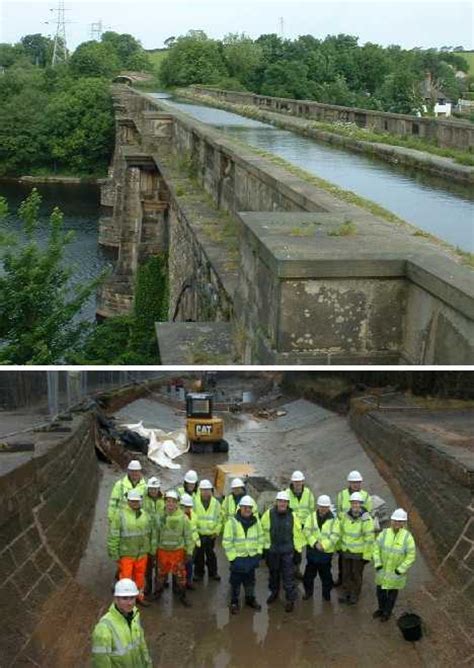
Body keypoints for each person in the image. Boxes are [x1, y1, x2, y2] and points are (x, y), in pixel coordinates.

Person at [91, 578, 152, 667]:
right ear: (116, 599)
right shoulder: (104, 628)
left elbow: (142, 646)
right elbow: (101, 662)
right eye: (125, 598)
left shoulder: (134, 616)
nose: (130, 603)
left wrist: (148, 665)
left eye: (132, 598)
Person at [261, 491, 305, 612]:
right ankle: (274, 593)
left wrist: (298, 551)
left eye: (285, 502)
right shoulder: (268, 514)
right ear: (276, 502)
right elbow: (263, 532)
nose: (282, 504)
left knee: (288, 577)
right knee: (273, 575)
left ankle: (290, 599)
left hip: (288, 552)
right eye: (280, 501)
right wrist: (264, 549)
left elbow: (297, 535)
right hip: (273, 551)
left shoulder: (293, 516)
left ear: (288, 503)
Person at [107, 489, 152, 607]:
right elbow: (114, 534)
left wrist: (150, 548)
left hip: (142, 553)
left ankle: (139, 597)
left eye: (136, 501)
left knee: (140, 577)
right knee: (126, 579)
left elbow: (149, 534)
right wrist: (114, 552)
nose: (134, 503)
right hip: (126, 553)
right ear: (128, 501)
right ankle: (124, 602)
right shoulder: (120, 515)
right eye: (132, 501)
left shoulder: (145, 515)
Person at [373, 508, 416, 621]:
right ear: (391, 521)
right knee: (380, 593)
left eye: (400, 521)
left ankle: (387, 612)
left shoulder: (408, 537)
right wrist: (377, 563)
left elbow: (411, 556)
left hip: (396, 574)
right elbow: (376, 548)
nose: (397, 523)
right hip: (382, 571)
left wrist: (400, 570)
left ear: (403, 523)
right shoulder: (384, 533)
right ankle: (381, 609)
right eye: (395, 520)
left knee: (391, 595)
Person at [222, 495, 264, 614]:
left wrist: (259, 553)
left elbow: (261, 538)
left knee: (250, 581)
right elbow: (227, 541)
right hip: (238, 558)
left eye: (249, 508)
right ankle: (234, 602)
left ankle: (250, 599)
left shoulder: (256, 522)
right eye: (244, 507)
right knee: (235, 582)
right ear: (240, 508)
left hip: (251, 557)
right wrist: (233, 557)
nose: (247, 510)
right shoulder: (232, 522)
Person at [154, 489, 194, 606]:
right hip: (162, 551)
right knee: (161, 575)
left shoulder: (183, 519)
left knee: (180, 576)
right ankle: (158, 593)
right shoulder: (159, 517)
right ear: (165, 502)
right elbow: (155, 534)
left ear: (177, 503)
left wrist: (189, 552)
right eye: (168, 501)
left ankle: (182, 595)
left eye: (173, 501)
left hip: (178, 552)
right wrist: (153, 549)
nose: (170, 504)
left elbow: (188, 537)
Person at [335, 470, 372, 586]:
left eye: (358, 482)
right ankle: (342, 580)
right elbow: (338, 511)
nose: (356, 484)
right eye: (353, 482)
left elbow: (368, 513)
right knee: (343, 562)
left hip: (358, 531)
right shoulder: (342, 495)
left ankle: (352, 585)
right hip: (345, 530)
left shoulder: (365, 496)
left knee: (356, 569)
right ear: (349, 482)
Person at [338, 491, 375, 605]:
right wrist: (339, 547)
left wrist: (367, 556)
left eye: (357, 503)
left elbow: (369, 539)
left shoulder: (366, 520)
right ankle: (346, 593)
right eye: (353, 503)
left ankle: (354, 595)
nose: (355, 506)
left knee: (356, 575)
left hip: (358, 554)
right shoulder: (346, 517)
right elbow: (341, 532)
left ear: (361, 504)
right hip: (346, 551)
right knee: (346, 574)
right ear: (350, 504)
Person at [302, 494, 340, 602]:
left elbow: (335, 535)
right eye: (321, 506)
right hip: (312, 552)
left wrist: (324, 545)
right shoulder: (311, 517)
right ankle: (308, 592)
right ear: (318, 506)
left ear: (328, 507)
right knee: (308, 576)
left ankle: (326, 594)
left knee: (326, 576)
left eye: (325, 507)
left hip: (325, 554)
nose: (323, 509)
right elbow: (306, 531)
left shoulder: (334, 520)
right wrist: (315, 543)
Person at [285, 470, 315, 578]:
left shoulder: (308, 494)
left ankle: (296, 569)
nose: (297, 484)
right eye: (296, 482)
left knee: (299, 549)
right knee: (289, 549)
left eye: (299, 482)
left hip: (303, 526)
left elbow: (312, 511)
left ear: (303, 482)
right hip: (290, 526)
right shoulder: (287, 494)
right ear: (292, 482)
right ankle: (288, 571)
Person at [193, 479, 222, 582]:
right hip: (199, 534)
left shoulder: (216, 504)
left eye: (207, 490)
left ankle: (213, 573)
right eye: (203, 490)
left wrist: (216, 532)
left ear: (211, 491)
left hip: (211, 535)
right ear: (200, 491)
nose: (205, 492)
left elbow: (219, 519)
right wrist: (195, 533)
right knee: (198, 556)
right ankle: (198, 573)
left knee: (211, 555)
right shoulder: (195, 502)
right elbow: (192, 519)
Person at [143, 477, 164, 600]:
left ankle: (158, 591)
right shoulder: (143, 500)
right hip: (146, 539)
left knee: (160, 569)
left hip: (160, 540)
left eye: (155, 489)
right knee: (147, 568)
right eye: (151, 489)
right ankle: (147, 590)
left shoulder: (164, 501)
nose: (153, 491)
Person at [180, 493, 201, 590]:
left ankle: (189, 581)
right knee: (181, 567)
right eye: (185, 506)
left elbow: (196, 528)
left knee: (190, 565)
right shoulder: (179, 517)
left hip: (193, 544)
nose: (187, 508)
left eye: (189, 506)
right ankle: (181, 584)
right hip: (182, 545)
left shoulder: (194, 515)